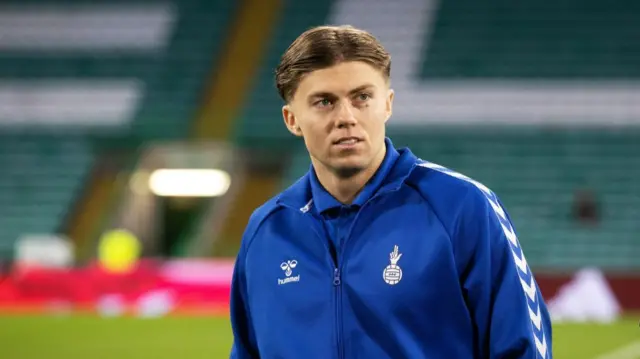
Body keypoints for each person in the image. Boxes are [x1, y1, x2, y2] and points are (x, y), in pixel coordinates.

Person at [229, 25, 553, 359]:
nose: (347, 117)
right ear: (292, 119)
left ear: (388, 104)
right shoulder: (267, 230)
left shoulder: (461, 207)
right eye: (324, 102)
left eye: (362, 98)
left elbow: (521, 348)